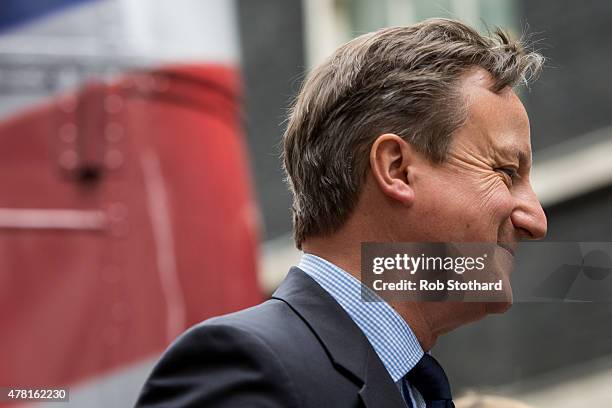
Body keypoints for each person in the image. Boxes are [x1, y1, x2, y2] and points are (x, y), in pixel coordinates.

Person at [136, 18, 547, 408]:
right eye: (506, 172)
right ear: (396, 169)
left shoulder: (406, 386)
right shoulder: (244, 368)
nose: (536, 221)